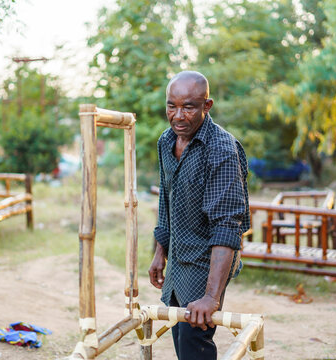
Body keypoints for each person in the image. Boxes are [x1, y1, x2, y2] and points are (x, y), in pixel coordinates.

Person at [149, 71, 250, 359]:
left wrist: (211, 297)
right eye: (172, 106)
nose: (178, 116)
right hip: (179, 255)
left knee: (195, 342)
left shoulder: (221, 150)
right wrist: (161, 252)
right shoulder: (166, 142)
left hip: (208, 261)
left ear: (207, 106)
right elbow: (166, 202)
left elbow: (228, 226)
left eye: (189, 107)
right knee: (181, 337)